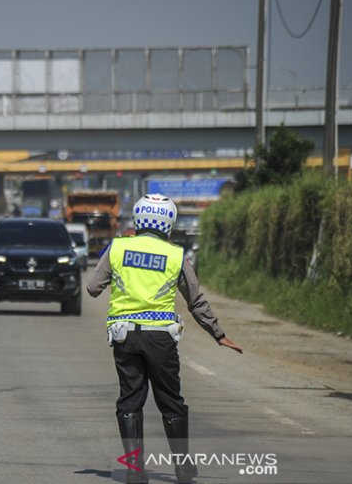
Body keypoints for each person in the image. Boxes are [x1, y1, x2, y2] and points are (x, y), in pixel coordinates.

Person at [86, 193, 243, 484]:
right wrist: (218, 335)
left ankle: (134, 470)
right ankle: (183, 468)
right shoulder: (176, 256)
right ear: (169, 222)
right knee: (170, 401)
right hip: (161, 340)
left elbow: (93, 287)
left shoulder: (118, 248)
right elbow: (196, 301)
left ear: (138, 218)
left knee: (130, 401)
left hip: (125, 337)